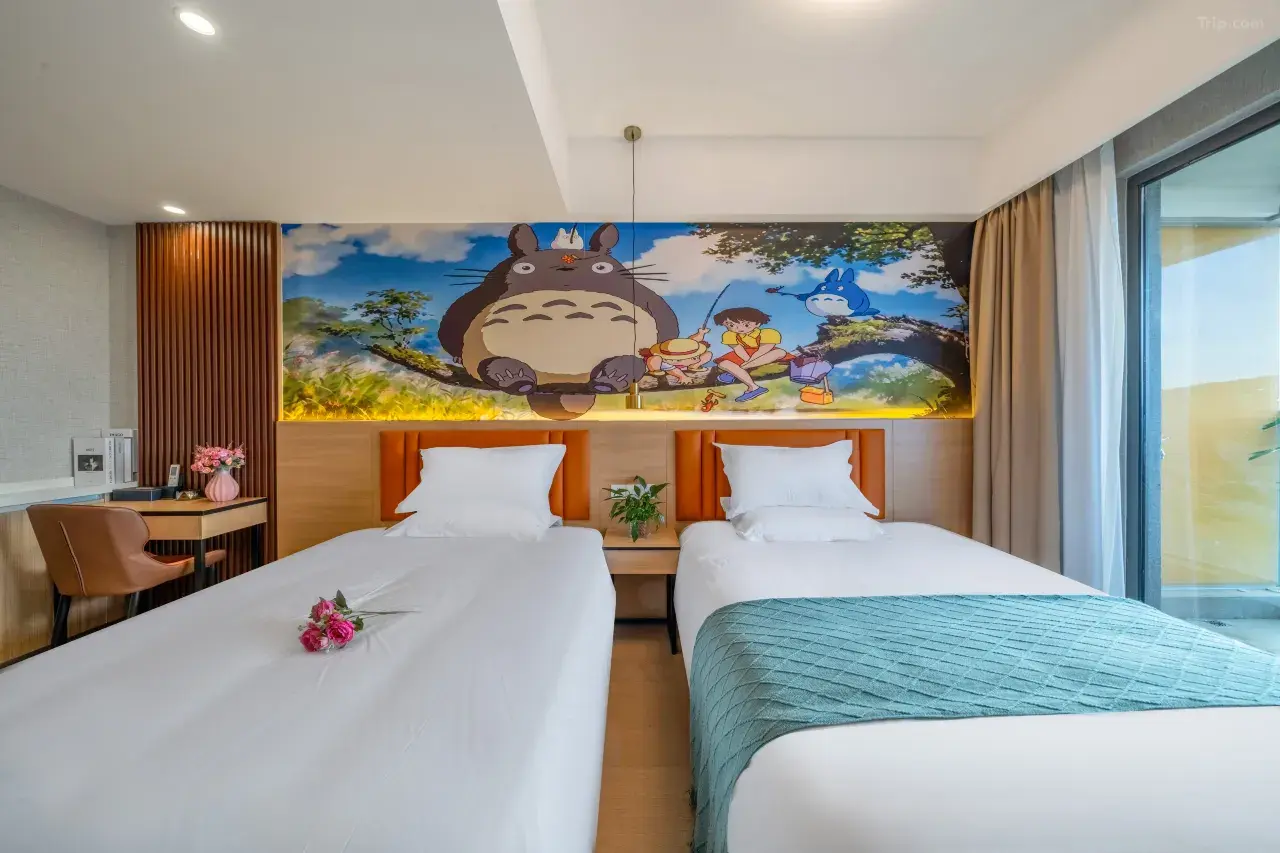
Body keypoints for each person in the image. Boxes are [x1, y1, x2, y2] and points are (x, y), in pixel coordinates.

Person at [712, 307, 793, 403]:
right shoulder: (729, 335)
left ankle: (733, 373)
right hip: (745, 355)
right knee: (723, 363)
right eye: (731, 325)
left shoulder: (769, 333)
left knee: (780, 352)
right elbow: (739, 350)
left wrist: (741, 367)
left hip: (764, 354)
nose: (739, 328)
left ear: (757, 323)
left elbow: (762, 351)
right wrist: (746, 362)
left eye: (746, 324)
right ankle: (754, 387)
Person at [640, 328, 712, 385]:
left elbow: (692, 341)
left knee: (708, 354)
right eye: (694, 357)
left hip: (683, 365)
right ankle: (655, 371)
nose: (698, 359)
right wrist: (682, 376)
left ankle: (694, 366)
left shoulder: (685, 353)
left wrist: (701, 333)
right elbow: (672, 369)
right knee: (655, 360)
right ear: (677, 359)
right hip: (662, 366)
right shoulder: (665, 361)